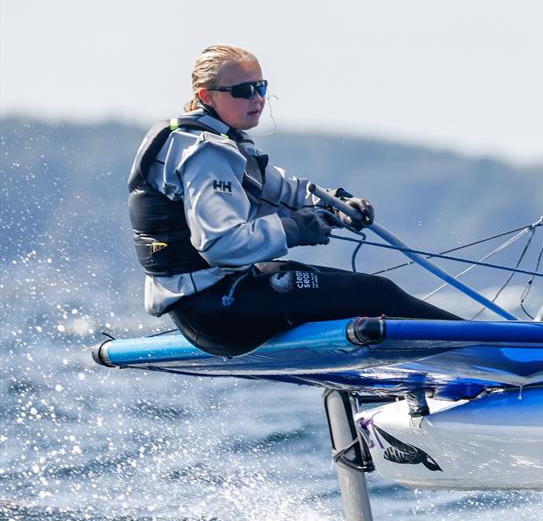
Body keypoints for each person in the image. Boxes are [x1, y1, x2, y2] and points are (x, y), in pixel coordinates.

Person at [128, 44, 460, 357]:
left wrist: (337, 203)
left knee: (346, 290)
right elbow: (220, 244)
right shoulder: (205, 153)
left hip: (214, 301)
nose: (257, 98)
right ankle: (495, 352)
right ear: (206, 97)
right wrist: (294, 230)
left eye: (261, 87)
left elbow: (290, 191)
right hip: (216, 310)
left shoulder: (218, 142)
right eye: (243, 90)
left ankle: (435, 374)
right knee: (378, 295)